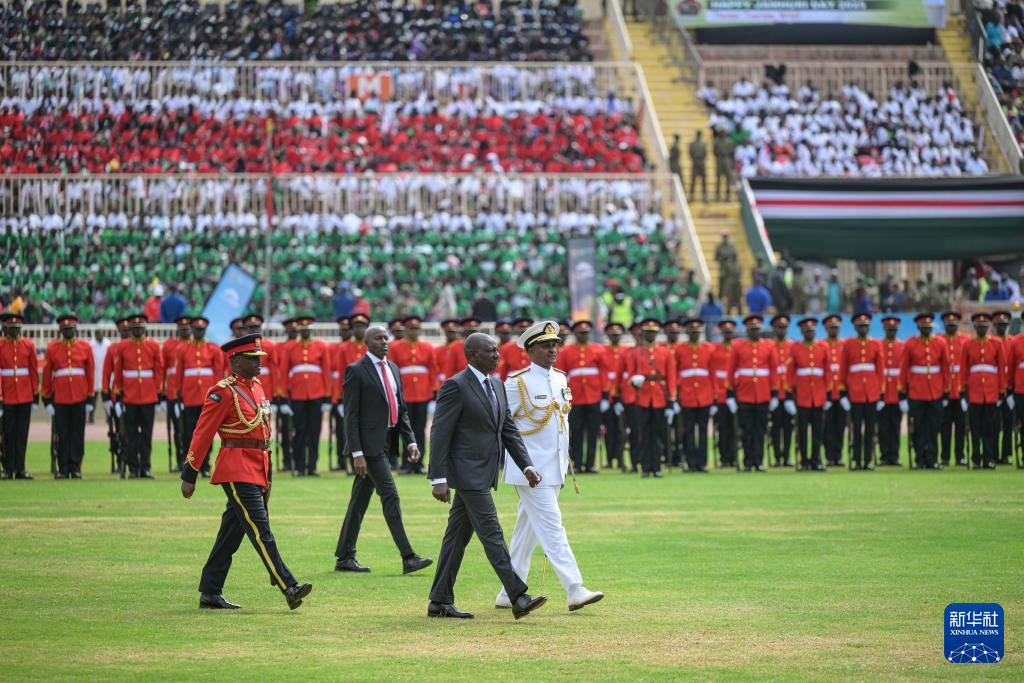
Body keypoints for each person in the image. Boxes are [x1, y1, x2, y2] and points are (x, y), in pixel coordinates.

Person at [179, 334, 312, 611]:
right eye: (253, 360)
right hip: (236, 467)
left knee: (231, 533)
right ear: (236, 361)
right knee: (260, 529)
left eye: (259, 358)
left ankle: (210, 591)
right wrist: (190, 474)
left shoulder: (257, 388)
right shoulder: (222, 392)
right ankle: (289, 586)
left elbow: (264, 433)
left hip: (259, 465)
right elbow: (202, 434)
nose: (259, 364)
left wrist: (269, 471)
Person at [426, 332, 547, 620]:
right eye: (490, 351)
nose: (497, 355)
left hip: (485, 472)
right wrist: (437, 478)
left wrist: (526, 465)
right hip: (466, 474)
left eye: (497, 350)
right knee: (492, 534)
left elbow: (507, 430)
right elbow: (440, 434)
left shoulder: (496, 384)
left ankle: (439, 601)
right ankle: (518, 596)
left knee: (455, 539)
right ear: (472, 356)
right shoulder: (455, 386)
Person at [495, 321, 604, 612]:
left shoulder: (560, 379)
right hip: (530, 470)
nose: (552, 350)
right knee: (553, 527)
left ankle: (508, 591)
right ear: (530, 350)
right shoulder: (516, 382)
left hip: (554, 466)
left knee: (526, 532)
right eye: (545, 345)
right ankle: (574, 587)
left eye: (555, 344)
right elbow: (503, 425)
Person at [334, 325, 433, 575]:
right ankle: (408, 556)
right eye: (378, 338)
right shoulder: (356, 371)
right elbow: (351, 415)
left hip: (388, 442)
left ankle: (345, 556)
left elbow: (401, 410)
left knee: (359, 501)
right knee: (390, 496)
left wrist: (410, 441)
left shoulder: (393, 369)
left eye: (386, 337)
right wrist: (357, 453)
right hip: (369, 448)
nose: (384, 341)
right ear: (367, 342)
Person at [42, 314, 95, 479]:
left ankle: (75, 467)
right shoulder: (53, 348)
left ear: (75, 329)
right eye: (65, 329)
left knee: (77, 434)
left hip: (79, 396)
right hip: (60, 398)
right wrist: (47, 399)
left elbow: (90, 373)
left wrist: (90, 397)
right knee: (62, 434)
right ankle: (63, 467)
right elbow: (47, 374)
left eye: (70, 329)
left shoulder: (85, 347)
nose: (68, 331)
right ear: (60, 330)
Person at [171, 317, 225, 478]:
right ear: (192, 331)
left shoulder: (213, 349)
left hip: (207, 399)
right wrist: (176, 396)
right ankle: (191, 466)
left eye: (201, 329)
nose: (198, 332)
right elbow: (178, 374)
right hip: (189, 398)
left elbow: (218, 374)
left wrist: (218, 397)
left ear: (205, 331)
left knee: (207, 434)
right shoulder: (182, 349)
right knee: (189, 434)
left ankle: (205, 465)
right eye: (196, 329)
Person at [112, 314, 165, 479]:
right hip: (130, 396)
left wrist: (158, 395)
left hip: (149, 396)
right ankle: (133, 468)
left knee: (147, 435)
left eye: (140, 327)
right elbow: (118, 372)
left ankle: (146, 467)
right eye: (134, 328)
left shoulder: (154, 346)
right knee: (131, 435)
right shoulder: (122, 347)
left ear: (145, 328)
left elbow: (159, 371)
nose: (137, 330)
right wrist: (118, 396)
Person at [623, 319, 678, 478]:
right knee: (644, 434)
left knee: (658, 434)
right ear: (643, 333)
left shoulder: (666, 352)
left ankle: (657, 466)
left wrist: (671, 401)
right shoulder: (635, 352)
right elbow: (630, 375)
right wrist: (634, 380)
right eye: (647, 332)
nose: (650, 335)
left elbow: (671, 378)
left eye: (653, 332)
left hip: (660, 397)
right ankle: (646, 467)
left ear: (657, 334)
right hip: (642, 396)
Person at [555, 321, 609, 474]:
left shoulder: (598, 350)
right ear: (575, 334)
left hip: (594, 396)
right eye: (580, 332)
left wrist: (605, 396)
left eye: (586, 332)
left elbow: (604, 373)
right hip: (575, 397)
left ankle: (591, 464)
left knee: (593, 432)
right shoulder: (566, 352)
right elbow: (561, 375)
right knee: (576, 431)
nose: (583, 335)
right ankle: (577, 463)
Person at [726, 314, 779, 472]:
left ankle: (758, 460)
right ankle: (748, 461)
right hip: (745, 394)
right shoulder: (738, 346)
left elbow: (774, 370)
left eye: (756, 329)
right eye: (751, 329)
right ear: (747, 330)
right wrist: (729, 394)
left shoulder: (768, 346)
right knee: (746, 430)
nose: (754, 332)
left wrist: (775, 393)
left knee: (760, 430)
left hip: (763, 394)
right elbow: (731, 370)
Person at [281, 316, 332, 476]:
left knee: (314, 431)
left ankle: (312, 466)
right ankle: (299, 466)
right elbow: (283, 373)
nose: (304, 332)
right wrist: (282, 397)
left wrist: (327, 397)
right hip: (297, 395)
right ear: (299, 331)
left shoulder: (321, 346)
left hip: (316, 393)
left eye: (307, 330)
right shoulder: (290, 347)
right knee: (299, 431)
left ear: (311, 330)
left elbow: (327, 371)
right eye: (302, 330)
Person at [900, 313, 950, 470]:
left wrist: (946, 391)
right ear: (918, 328)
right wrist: (902, 393)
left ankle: (932, 458)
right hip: (916, 391)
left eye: (929, 327)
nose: (927, 330)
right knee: (919, 427)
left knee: (934, 427)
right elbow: (904, 369)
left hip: (935, 391)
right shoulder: (911, 343)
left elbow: (946, 368)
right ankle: (920, 457)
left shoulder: (940, 343)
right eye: (924, 328)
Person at [388, 315, 437, 475]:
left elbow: (433, 371)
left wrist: (433, 392)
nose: (414, 331)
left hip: (422, 394)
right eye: (410, 328)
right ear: (406, 329)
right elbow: (392, 371)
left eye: (416, 328)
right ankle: (406, 463)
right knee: (405, 430)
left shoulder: (428, 347)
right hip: (404, 395)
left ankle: (419, 463)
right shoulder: (395, 347)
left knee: (420, 429)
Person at [960, 313, 1005, 469]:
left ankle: (989, 458)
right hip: (974, 393)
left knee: (990, 428)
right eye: (979, 327)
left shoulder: (997, 344)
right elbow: (963, 370)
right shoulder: (968, 345)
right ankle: (976, 458)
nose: (982, 329)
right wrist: (963, 393)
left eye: (984, 327)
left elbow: (1001, 369)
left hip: (991, 392)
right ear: (974, 327)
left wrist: (1001, 391)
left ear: (989, 327)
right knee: (975, 428)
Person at [842, 313, 884, 470]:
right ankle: (856, 459)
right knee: (856, 429)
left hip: (871, 393)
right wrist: (843, 393)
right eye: (860, 326)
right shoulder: (849, 344)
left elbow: (880, 370)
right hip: (855, 392)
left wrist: (881, 394)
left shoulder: (875, 344)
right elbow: (843, 370)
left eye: (865, 326)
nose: (863, 329)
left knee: (870, 429)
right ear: (855, 327)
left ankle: (867, 459)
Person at [0, 312, 39, 479]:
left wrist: (35, 395)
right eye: (11, 328)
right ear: (6, 329)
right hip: (7, 396)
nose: (15, 331)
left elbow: (33, 371)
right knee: (8, 433)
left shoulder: (28, 345)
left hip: (25, 395)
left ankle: (20, 468)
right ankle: (8, 469)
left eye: (17, 328)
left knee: (22, 433)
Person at [675, 318, 715, 472]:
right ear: (687, 332)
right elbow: (676, 373)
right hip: (687, 396)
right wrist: (676, 395)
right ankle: (691, 462)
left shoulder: (708, 349)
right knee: (688, 430)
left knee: (703, 431)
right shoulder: (680, 350)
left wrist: (715, 397)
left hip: (705, 396)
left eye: (697, 332)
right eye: (692, 331)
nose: (695, 334)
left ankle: (702, 462)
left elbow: (712, 373)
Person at [788, 318, 828, 471]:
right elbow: (790, 372)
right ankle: (804, 459)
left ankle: (816, 459)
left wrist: (828, 394)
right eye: (806, 330)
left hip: (818, 395)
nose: (809, 332)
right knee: (802, 431)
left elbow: (827, 371)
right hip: (802, 396)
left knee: (818, 431)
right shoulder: (796, 348)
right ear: (801, 331)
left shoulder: (822, 347)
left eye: (812, 330)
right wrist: (791, 396)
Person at [939, 311, 969, 467]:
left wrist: (966, 391)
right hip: (945, 391)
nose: (951, 326)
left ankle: (960, 456)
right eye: (949, 324)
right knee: (944, 426)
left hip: (960, 390)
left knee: (961, 426)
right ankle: (944, 456)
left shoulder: (965, 340)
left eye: (954, 324)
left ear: (958, 324)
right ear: (945, 325)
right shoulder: (939, 340)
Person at [163, 316, 192, 470]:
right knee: (177, 429)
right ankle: (179, 459)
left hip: (189, 395)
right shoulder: (168, 345)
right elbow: (164, 371)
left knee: (190, 429)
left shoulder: (193, 346)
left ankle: (191, 460)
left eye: (187, 328)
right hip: (173, 395)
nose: (184, 331)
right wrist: (164, 395)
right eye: (182, 329)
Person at [878, 316, 906, 466]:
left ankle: (894, 455)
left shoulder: (902, 346)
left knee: (895, 426)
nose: (891, 332)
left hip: (896, 392)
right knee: (882, 427)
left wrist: (904, 395)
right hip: (882, 393)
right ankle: (883, 455)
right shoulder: (879, 345)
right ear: (884, 329)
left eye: (894, 329)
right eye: (889, 329)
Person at [711, 319, 739, 467]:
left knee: (736, 429)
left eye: (730, 332)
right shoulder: (716, 349)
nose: (728, 334)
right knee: (723, 428)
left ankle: (734, 455)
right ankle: (724, 457)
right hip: (721, 395)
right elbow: (714, 374)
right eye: (725, 332)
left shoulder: (738, 348)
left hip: (735, 395)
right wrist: (714, 397)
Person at [768, 314, 795, 467]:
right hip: (775, 394)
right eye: (779, 327)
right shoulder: (769, 346)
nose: (782, 330)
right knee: (775, 427)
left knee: (788, 427)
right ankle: (777, 456)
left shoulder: (792, 346)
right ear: (774, 328)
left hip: (789, 395)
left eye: (785, 327)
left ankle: (787, 456)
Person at [821, 315, 846, 467]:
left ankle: (838, 455)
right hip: (826, 394)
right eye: (831, 328)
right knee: (827, 427)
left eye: (836, 327)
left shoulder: (844, 345)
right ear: (826, 329)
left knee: (841, 426)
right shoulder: (822, 345)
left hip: (841, 393)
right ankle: (829, 456)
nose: (834, 330)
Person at [602, 322, 628, 470]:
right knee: (608, 430)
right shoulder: (603, 351)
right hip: (608, 397)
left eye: (617, 335)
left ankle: (621, 459)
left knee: (622, 431)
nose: (615, 337)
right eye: (612, 335)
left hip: (622, 397)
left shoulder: (626, 351)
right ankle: (610, 458)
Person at [991, 310, 1014, 464]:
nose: (1002, 327)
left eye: (1004, 325)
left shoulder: (1012, 341)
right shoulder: (991, 342)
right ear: (994, 325)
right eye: (999, 325)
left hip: (1010, 388)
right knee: (993, 424)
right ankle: (993, 453)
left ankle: (1006, 454)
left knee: (1008, 424)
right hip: (995, 389)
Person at [90, 329, 112, 423]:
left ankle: (109, 417)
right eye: (97, 334)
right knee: (92, 400)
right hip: (95, 374)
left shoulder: (108, 344)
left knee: (106, 398)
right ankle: (91, 418)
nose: (99, 335)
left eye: (100, 333)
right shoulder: (91, 345)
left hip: (106, 375)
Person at [713, 130, 735, 202]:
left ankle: (728, 195)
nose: (723, 134)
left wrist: (732, 162)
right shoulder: (716, 141)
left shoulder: (729, 142)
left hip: (727, 159)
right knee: (718, 177)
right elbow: (715, 151)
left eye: (724, 133)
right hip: (719, 159)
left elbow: (732, 152)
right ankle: (717, 195)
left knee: (728, 178)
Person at [688, 131, 708, 203]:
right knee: (693, 180)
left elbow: (705, 153)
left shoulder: (703, 144)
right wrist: (695, 158)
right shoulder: (692, 144)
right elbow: (690, 152)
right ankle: (691, 196)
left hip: (701, 162)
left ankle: (704, 196)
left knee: (704, 180)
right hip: (695, 162)